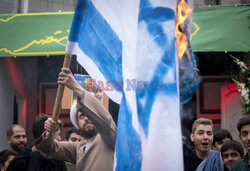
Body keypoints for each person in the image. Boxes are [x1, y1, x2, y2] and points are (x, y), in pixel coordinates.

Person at [34, 68, 117, 171]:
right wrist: (49, 131)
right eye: (81, 116)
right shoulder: (78, 148)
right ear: (77, 123)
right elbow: (48, 149)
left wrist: (76, 87)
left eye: (89, 115)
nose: (86, 118)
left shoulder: (109, 139)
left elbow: (106, 123)